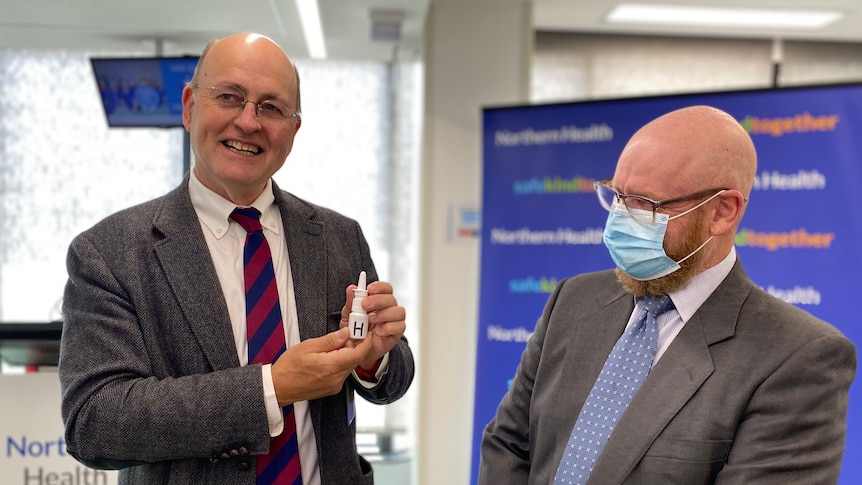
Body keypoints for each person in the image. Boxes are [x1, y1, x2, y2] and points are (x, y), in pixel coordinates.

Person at [59, 32, 414, 485]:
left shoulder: (338, 236)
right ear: (189, 107)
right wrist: (273, 387)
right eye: (229, 97)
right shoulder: (110, 253)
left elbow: (394, 375)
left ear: (293, 130)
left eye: (271, 107)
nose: (248, 122)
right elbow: (94, 423)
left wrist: (373, 359)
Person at [478, 105, 857, 484]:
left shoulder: (797, 357)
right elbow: (508, 444)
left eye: (646, 204)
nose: (620, 220)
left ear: (722, 211)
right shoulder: (573, 300)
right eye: (617, 195)